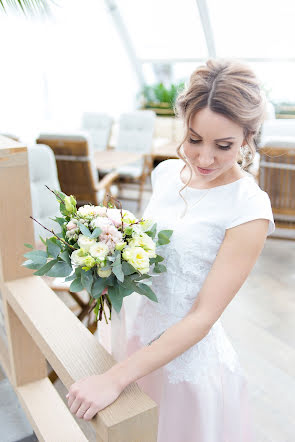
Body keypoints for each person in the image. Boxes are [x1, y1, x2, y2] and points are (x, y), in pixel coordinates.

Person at [66, 58, 275, 442]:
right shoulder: (165, 175)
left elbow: (203, 316)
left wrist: (114, 378)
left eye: (224, 145)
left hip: (184, 368)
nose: (204, 158)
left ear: (248, 137)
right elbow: (146, 259)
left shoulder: (249, 207)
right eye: (194, 139)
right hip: (130, 338)